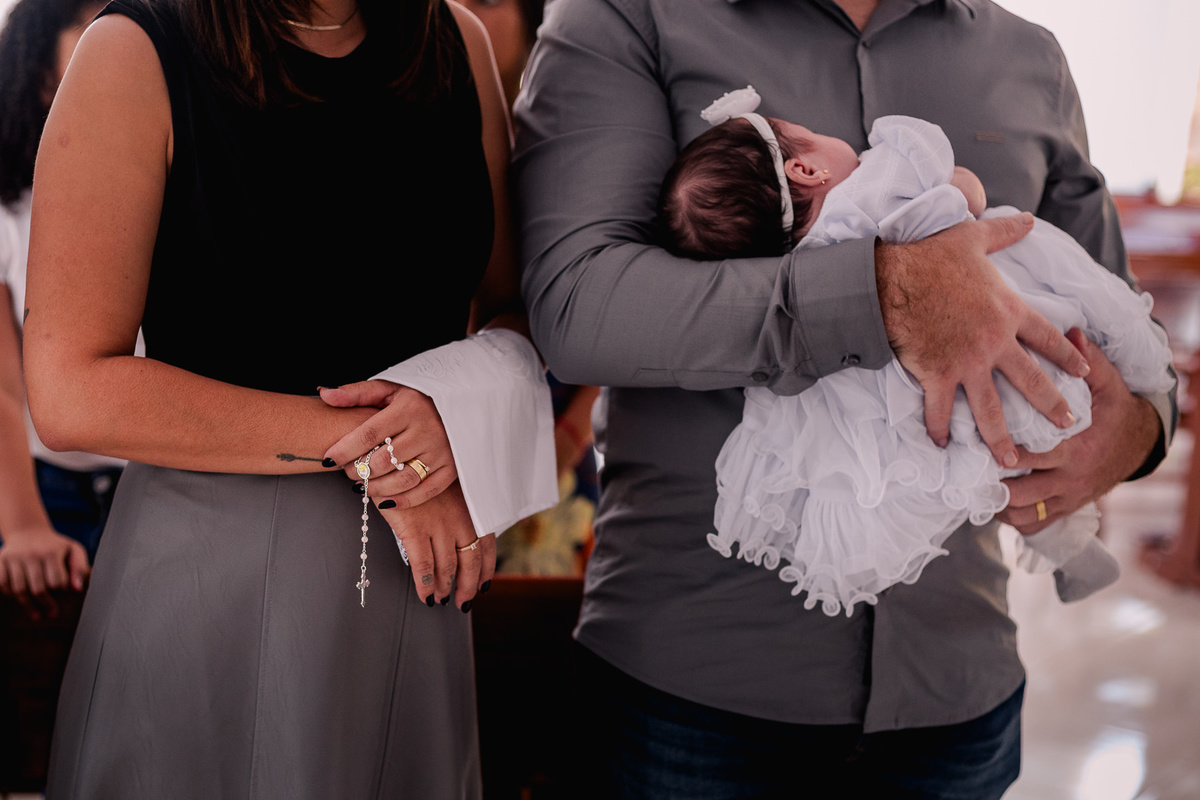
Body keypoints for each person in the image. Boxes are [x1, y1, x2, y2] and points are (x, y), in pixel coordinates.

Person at [512, 0, 1176, 796]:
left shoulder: (1027, 54)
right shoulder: (627, 17)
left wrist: (1134, 434)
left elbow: (1106, 298)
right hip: (690, 704)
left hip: (958, 699)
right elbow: (580, 309)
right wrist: (886, 290)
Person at [22, 0, 550, 796]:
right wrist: (385, 448)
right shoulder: (133, 50)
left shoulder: (456, 44)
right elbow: (69, 390)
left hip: (420, 580)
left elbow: (511, 305)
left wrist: (459, 415)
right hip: (212, 579)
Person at [660, 96, 1173, 615]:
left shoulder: (798, 264)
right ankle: (1078, 534)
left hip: (922, 410)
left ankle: (1066, 547)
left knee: (984, 467)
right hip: (1015, 336)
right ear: (806, 168)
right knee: (1072, 316)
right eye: (804, 129)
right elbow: (967, 193)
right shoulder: (880, 175)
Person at [0, 0, 107, 790]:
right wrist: (25, 525)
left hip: (159, 482)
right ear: (43, 73)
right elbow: (5, 383)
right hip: (43, 486)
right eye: (99, 20)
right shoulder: (10, 208)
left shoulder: (175, 172)